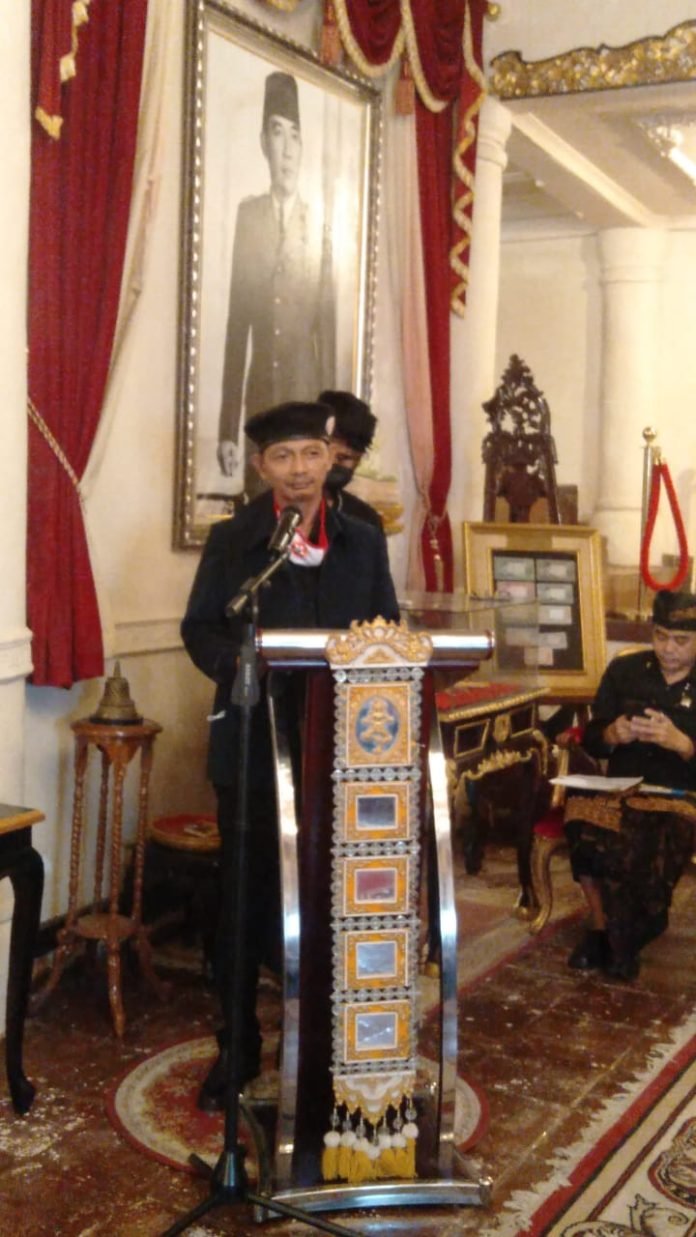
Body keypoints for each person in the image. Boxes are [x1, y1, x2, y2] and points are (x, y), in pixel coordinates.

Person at [181, 400, 400, 1110]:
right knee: (243, 901)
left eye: (311, 453)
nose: (300, 469)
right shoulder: (237, 539)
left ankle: (327, 1044)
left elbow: (387, 626)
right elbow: (200, 627)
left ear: (330, 457)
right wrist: (241, 667)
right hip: (252, 740)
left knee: (333, 895)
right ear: (261, 467)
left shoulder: (362, 536)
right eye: (283, 457)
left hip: (340, 746)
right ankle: (238, 1047)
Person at [565, 589, 696, 982]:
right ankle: (602, 926)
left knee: (642, 841)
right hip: (622, 789)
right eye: (660, 636)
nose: (668, 648)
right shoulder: (625, 671)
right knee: (581, 822)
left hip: (679, 797)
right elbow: (592, 737)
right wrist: (612, 734)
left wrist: (684, 745)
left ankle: (626, 936)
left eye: (681, 640)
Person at [217, 72, 336, 498]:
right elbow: (237, 328)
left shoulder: (319, 226)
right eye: (278, 133)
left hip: (306, 412)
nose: (287, 149)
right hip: (260, 408)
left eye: (295, 137)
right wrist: (228, 429)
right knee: (257, 520)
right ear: (264, 143)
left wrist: (331, 430)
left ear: (301, 148)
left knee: (304, 519)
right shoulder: (249, 219)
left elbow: (328, 333)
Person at [319, 388, 383, 530]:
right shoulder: (273, 513)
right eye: (327, 452)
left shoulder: (366, 521)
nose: (332, 463)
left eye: (344, 458)